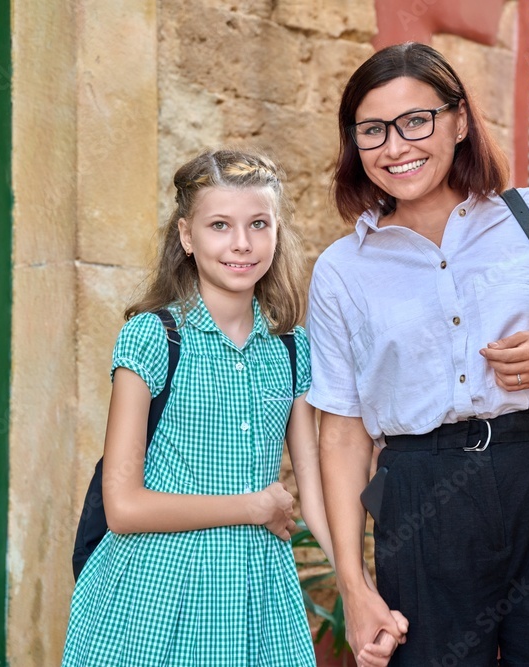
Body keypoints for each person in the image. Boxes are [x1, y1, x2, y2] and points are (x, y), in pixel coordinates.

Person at [307, 43, 529, 666]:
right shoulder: (340, 270)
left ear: (459, 122)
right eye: (373, 130)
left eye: (416, 121)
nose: (395, 146)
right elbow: (343, 434)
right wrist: (354, 586)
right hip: (423, 495)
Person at [63, 148, 333, 667]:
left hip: (258, 594)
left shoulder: (292, 347)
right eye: (219, 225)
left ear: (277, 232)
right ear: (187, 237)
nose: (241, 243)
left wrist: (355, 582)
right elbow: (123, 508)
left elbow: (314, 490)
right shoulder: (153, 337)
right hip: (155, 593)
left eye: (258, 224)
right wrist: (254, 507)